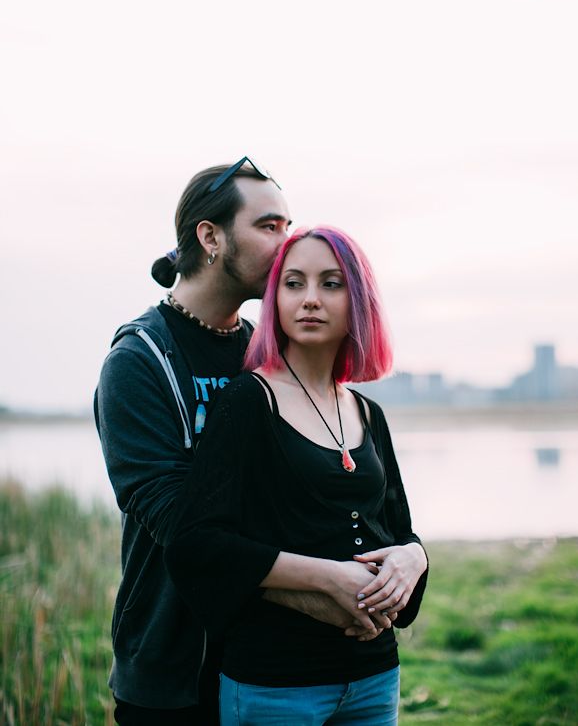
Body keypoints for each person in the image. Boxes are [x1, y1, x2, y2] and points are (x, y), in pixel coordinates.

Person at [165, 226, 429, 726]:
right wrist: (329, 577)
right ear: (275, 301)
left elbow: (398, 531)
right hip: (277, 684)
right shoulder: (248, 402)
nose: (310, 299)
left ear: (359, 301)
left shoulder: (368, 413)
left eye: (331, 283)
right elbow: (196, 544)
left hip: (374, 677)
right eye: (293, 283)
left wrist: (414, 558)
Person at [95, 158, 295, 724]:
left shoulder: (268, 353)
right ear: (210, 237)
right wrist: (321, 584)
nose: (287, 243)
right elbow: (177, 522)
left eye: (288, 227)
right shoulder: (139, 360)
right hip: (174, 673)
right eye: (269, 226)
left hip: (270, 664)